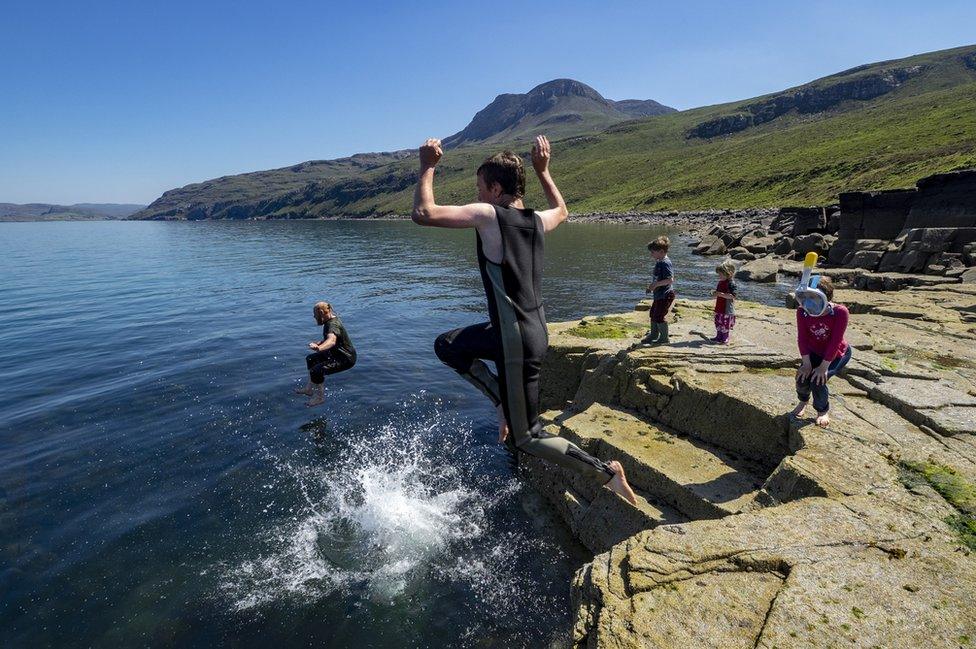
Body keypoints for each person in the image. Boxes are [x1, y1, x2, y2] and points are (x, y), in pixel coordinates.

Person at [411, 134, 637, 505]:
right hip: (526, 332)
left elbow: (424, 214)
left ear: (496, 188)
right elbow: (562, 210)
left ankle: (606, 473)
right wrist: (544, 171)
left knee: (527, 436)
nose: (479, 195)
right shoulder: (537, 221)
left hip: (514, 341)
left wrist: (428, 166)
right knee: (448, 345)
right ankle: (502, 401)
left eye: (480, 188)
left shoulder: (489, 215)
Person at [791, 277, 851, 427]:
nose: (810, 304)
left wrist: (823, 367)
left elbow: (835, 342)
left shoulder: (839, 312)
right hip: (813, 351)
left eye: (815, 299)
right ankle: (803, 401)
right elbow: (802, 339)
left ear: (826, 298)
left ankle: (822, 410)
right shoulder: (802, 312)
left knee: (817, 380)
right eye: (806, 299)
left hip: (836, 354)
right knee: (802, 377)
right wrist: (806, 364)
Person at [295, 301, 357, 407]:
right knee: (310, 359)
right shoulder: (329, 321)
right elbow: (331, 339)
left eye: (315, 316)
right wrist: (320, 343)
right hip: (335, 353)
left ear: (322, 313)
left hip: (345, 358)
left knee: (316, 371)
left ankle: (320, 398)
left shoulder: (332, 324)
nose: (315, 318)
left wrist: (319, 348)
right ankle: (309, 389)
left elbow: (332, 340)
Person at [644, 236, 675, 345]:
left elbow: (670, 280)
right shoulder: (659, 261)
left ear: (661, 251)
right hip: (659, 294)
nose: (651, 254)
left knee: (659, 315)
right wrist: (651, 287)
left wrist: (656, 284)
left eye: (653, 252)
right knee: (653, 314)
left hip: (665, 294)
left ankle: (664, 338)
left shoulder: (665, 263)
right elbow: (658, 278)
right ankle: (654, 334)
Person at [712, 260, 738, 344]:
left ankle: (725, 337)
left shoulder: (731, 283)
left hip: (726, 308)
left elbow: (733, 296)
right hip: (719, 307)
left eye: (720, 274)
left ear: (728, 273)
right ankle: (718, 336)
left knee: (725, 323)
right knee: (718, 321)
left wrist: (721, 294)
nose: (719, 276)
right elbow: (718, 293)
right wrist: (715, 294)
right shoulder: (720, 282)